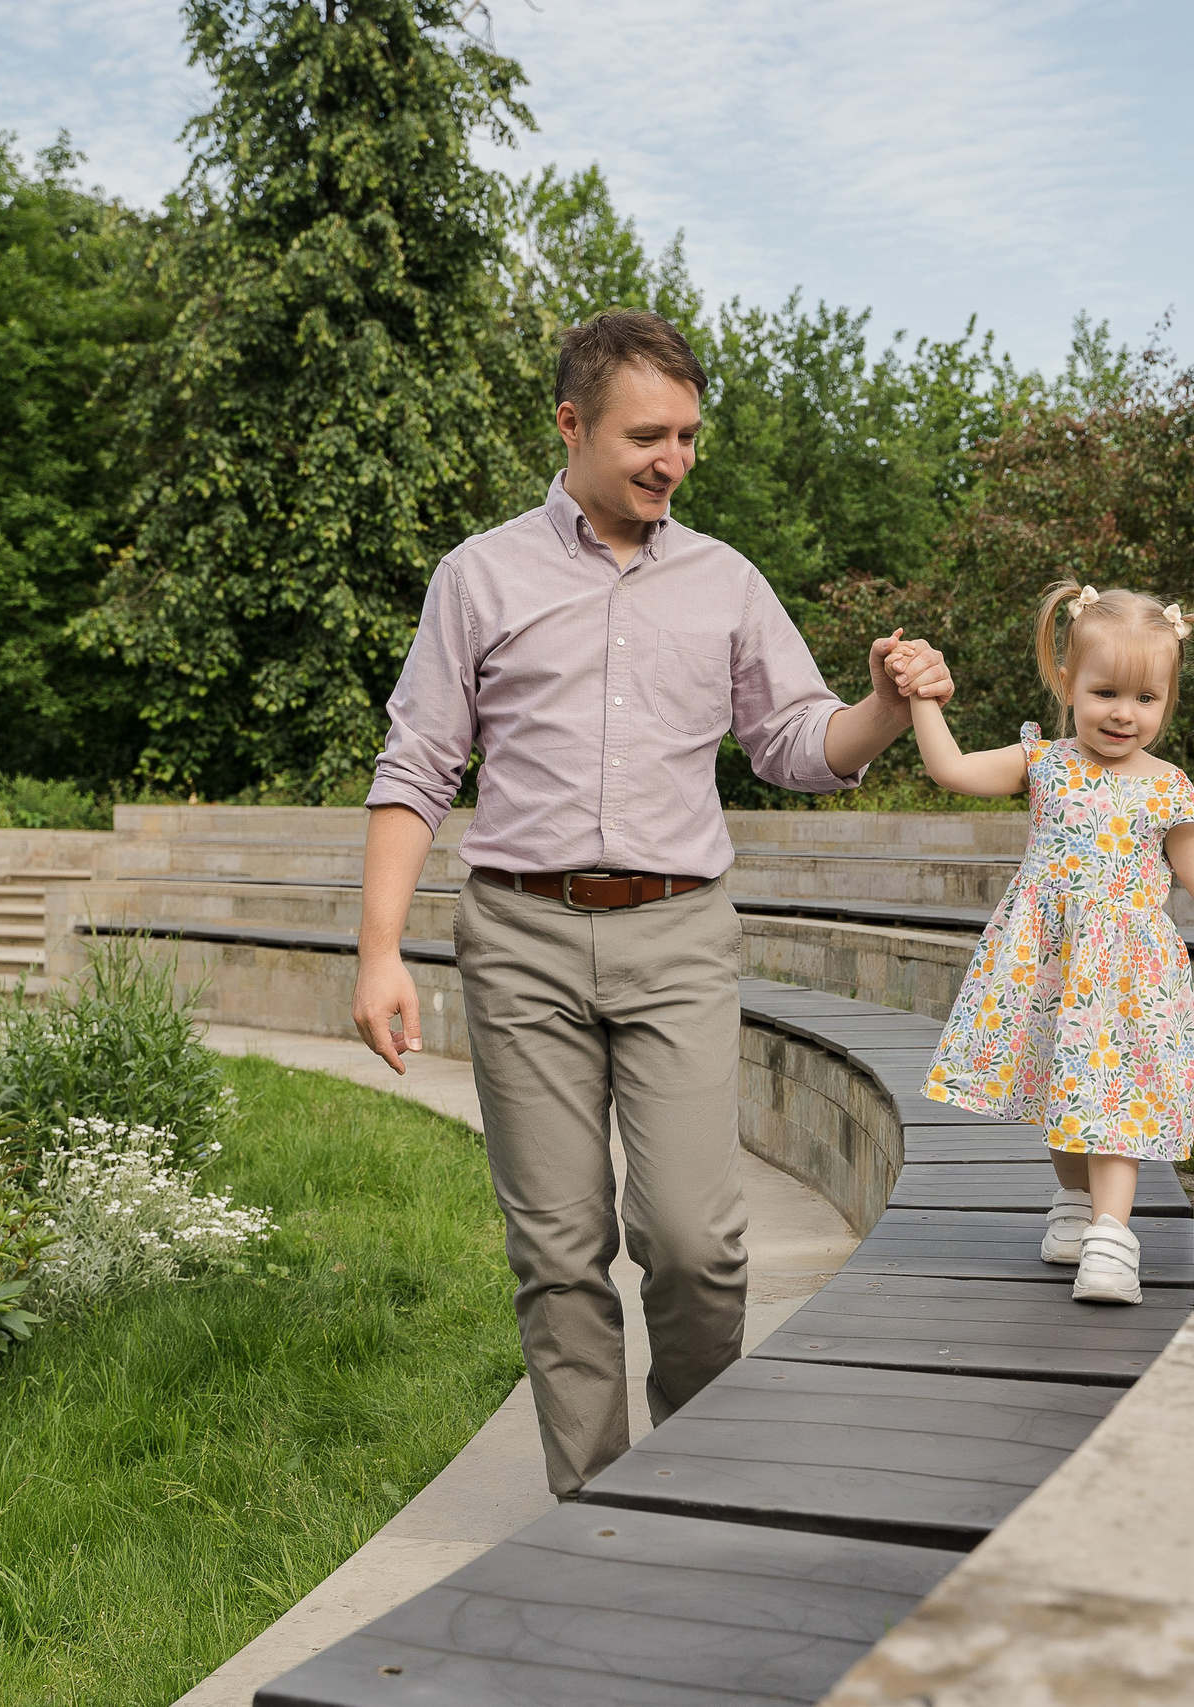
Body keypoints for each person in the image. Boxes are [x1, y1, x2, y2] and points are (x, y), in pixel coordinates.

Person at [353, 309, 954, 1497]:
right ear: (571, 427)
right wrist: (378, 952)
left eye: (686, 436)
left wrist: (884, 706)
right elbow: (416, 767)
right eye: (644, 436)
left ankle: (690, 1472)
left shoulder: (724, 579)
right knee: (561, 1250)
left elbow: (792, 741)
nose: (670, 460)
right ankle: (596, 1509)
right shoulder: (480, 576)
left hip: (678, 932)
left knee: (692, 1241)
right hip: (519, 938)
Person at [895, 581, 1194, 1304]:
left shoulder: (1167, 787)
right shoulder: (1046, 764)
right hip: (1052, 963)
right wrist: (920, 700)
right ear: (1067, 682)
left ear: (1168, 702)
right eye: (1105, 692)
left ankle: (1112, 1240)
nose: (1124, 712)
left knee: (1113, 1101)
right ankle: (1074, 1206)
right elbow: (952, 769)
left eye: (1146, 699)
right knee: (1067, 1100)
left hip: (1129, 971)